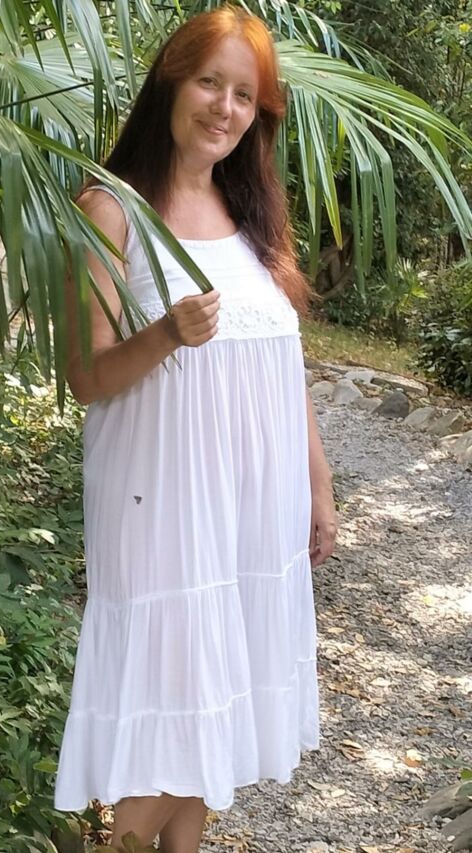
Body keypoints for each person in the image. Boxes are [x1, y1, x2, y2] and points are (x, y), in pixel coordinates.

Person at [54, 7, 337, 852]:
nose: (225, 107)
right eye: (210, 82)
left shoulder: (253, 214)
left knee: (220, 699)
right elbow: (85, 377)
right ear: (171, 85)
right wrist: (166, 334)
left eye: (245, 94)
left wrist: (318, 484)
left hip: (254, 508)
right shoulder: (111, 209)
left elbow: (282, 363)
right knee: (177, 700)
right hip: (160, 502)